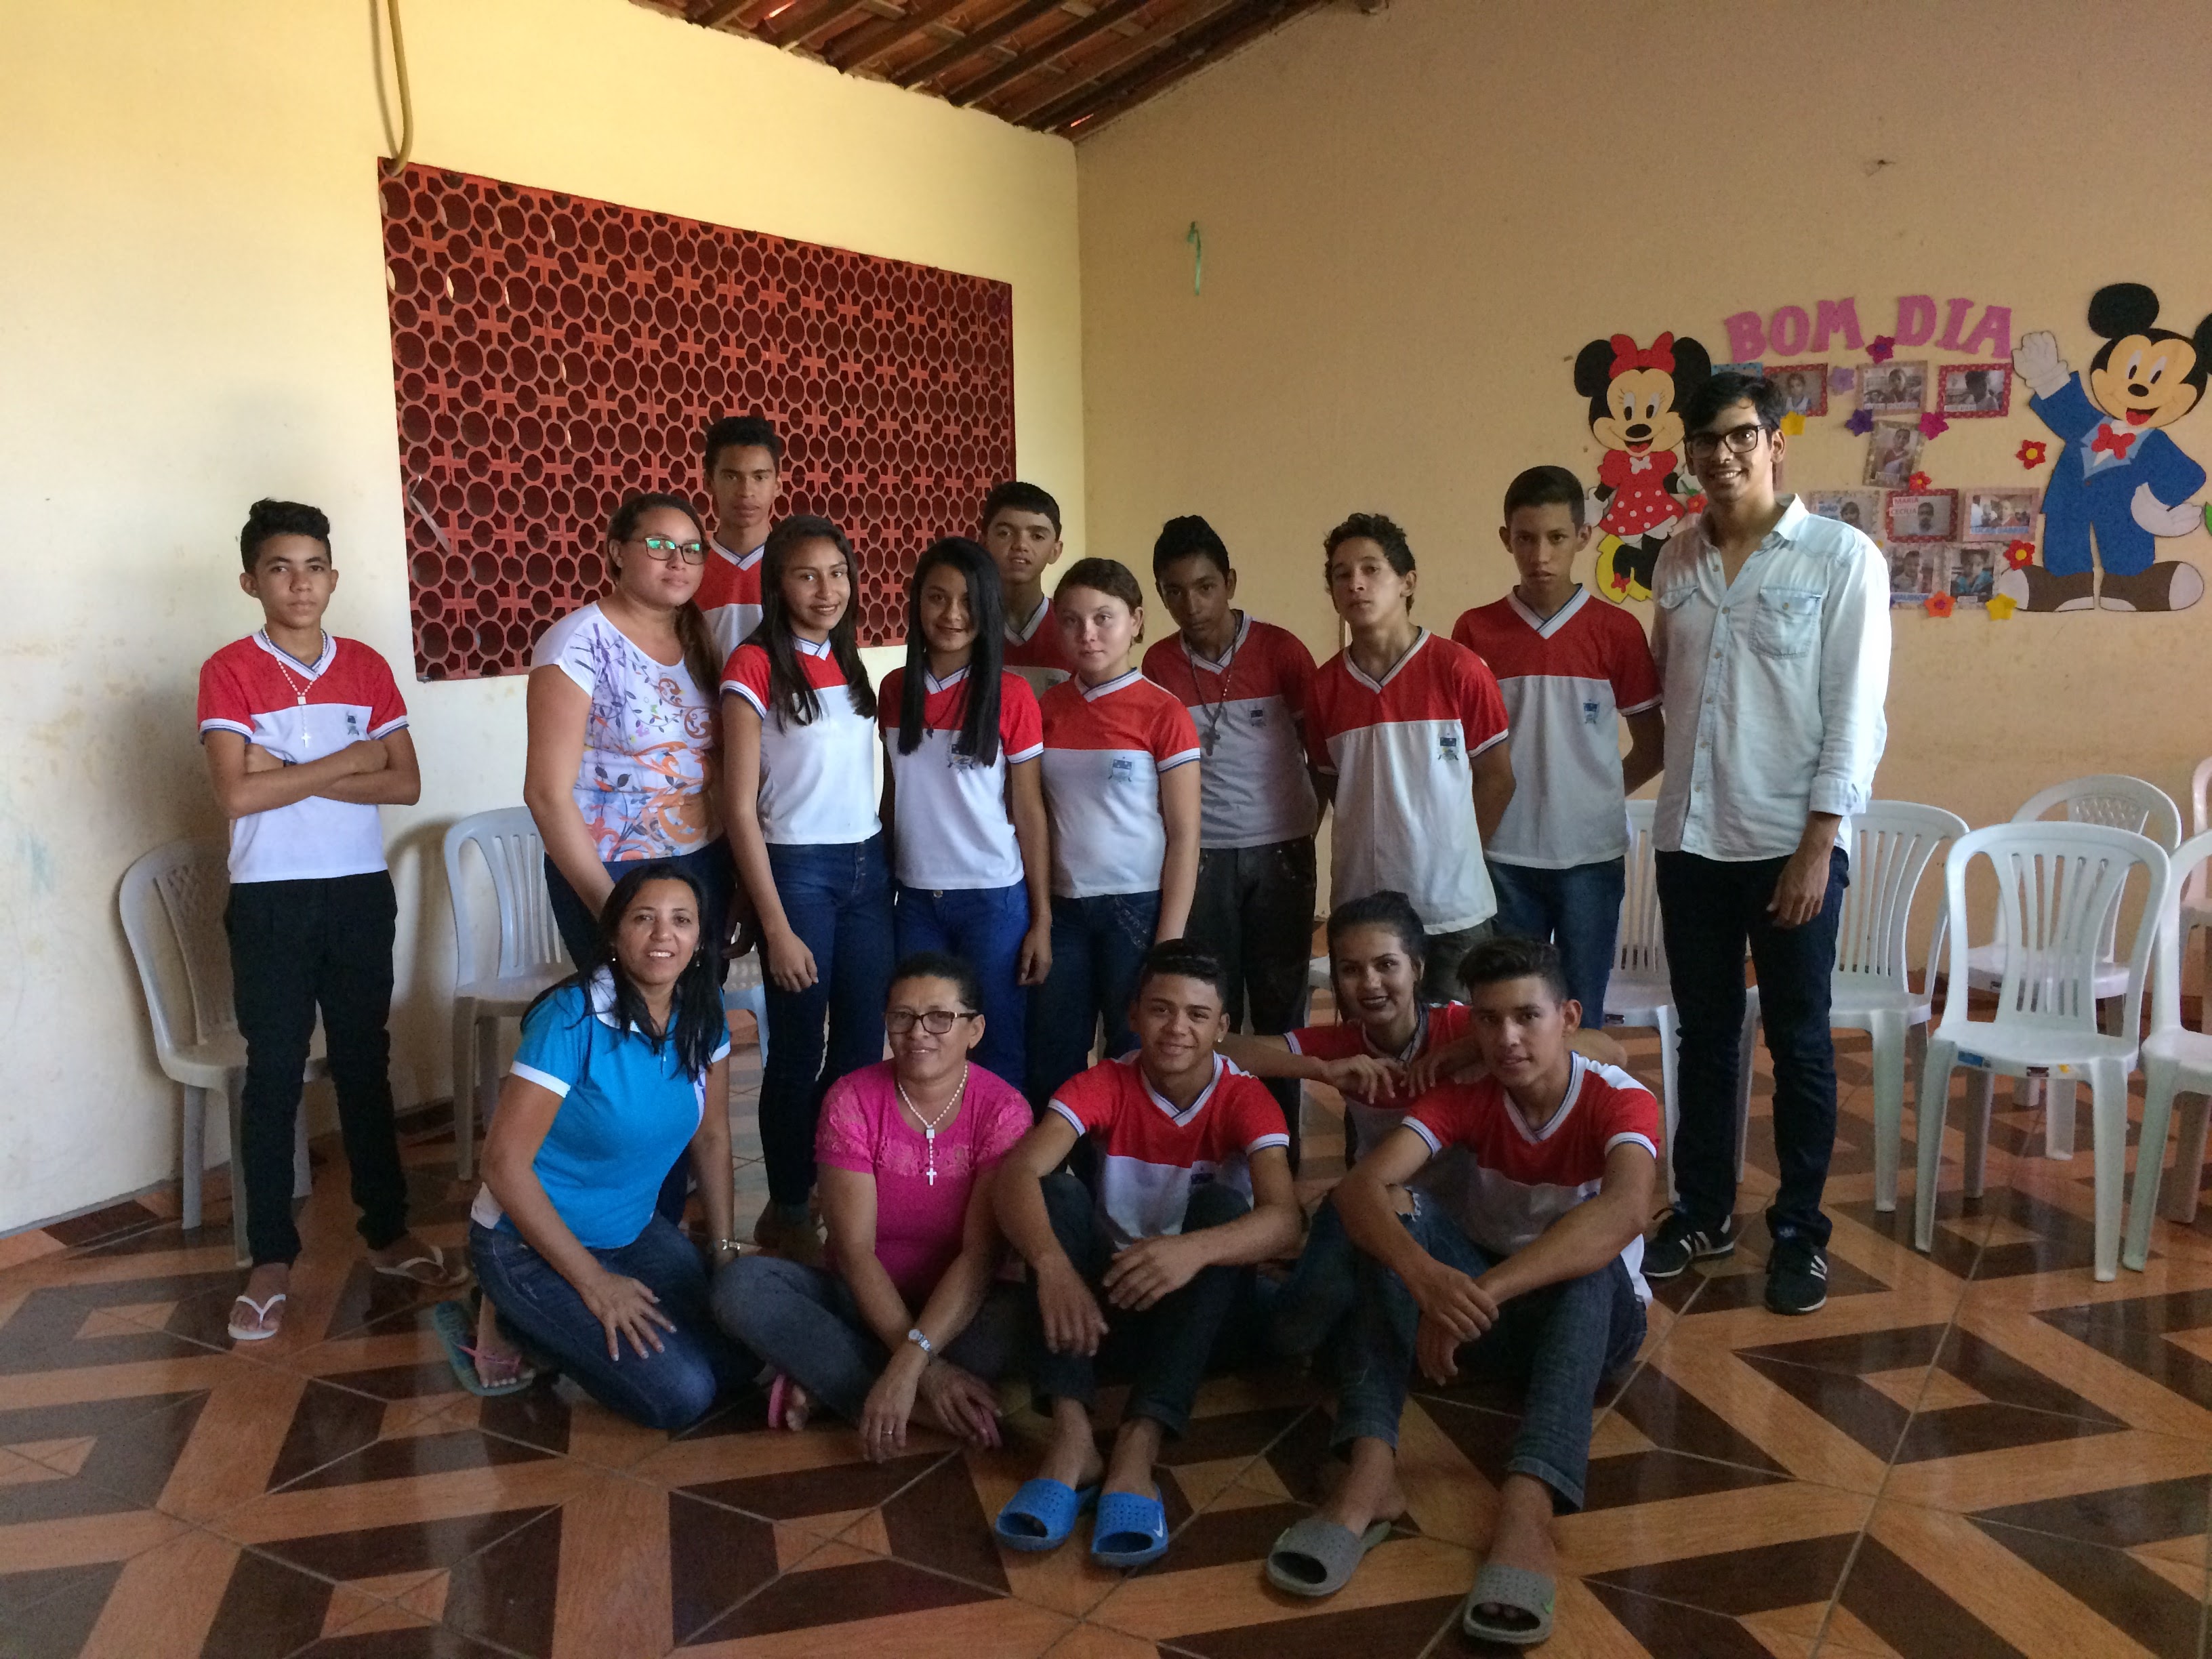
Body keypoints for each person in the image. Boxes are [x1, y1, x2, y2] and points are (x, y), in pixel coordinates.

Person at [1269, 937, 1656, 1642]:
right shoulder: (1468, 1095)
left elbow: (1625, 1212)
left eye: (1526, 1017)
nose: (1506, 1039)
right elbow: (1359, 1188)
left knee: (1589, 1260)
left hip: (1593, 1324)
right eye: (1488, 1020)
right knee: (1391, 1214)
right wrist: (1428, 1278)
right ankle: (1370, 1474)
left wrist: (1482, 1292)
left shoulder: (1618, 1098)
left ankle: (1527, 1509)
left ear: (1568, 1018)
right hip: (1479, 1316)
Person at [1645, 369, 1890, 1315]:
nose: (1721, 455)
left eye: (1739, 435)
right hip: (1692, 841)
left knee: (1799, 1042)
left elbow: (1855, 715)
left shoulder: (1840, 557)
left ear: (1776, 442)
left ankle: (1799, 1233)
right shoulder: (1675, 562)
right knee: (1705, 1037)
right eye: (1704, 441)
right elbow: (1671, 698)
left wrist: (1819, 845)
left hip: (1791, 844)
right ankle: (1703, 1211)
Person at [197, 499, 457, 1343]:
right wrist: (352, 758)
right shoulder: (230, 670)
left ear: (333, 577)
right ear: (251, 582)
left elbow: (404, 783)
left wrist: (286, 767)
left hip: (356, 892)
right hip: (270, 898)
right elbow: (236, 795)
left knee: (363, 1063)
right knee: (274, 1072)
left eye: (314, 567)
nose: (299, 583)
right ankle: (270, 1258)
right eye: (280, 568)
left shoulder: (368, 668)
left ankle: (387, 1229)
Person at [991, 941, 1300, 1567]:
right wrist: (1051, 1265)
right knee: (1055, 1193)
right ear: (1133, 1015)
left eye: (1196, 1014)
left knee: (1224, 1210)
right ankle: (1073, 1439)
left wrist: (1191, 1251)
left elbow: (1286, 1222)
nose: (1177, 1028)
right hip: (1111, 1308)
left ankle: (1139, 1442)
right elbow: (1017, 1172)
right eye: (1161, 1009)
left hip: (1205, 1317)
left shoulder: (1245, 1097)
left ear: (1222, 1027)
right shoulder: (1105, 1082)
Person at [466, 863, 755, 1429]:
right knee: (683, 1394)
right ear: (616, 934)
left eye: (682, 920)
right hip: (524, 1242)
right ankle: (511, 1314)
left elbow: (713, 1135)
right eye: (644, 918)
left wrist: (723, 1250)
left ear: (701, 939)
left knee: (739, 1357)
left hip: (629, 1232)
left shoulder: (704, 1014)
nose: (663, 935)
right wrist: (594, 1283)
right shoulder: (570, 1019)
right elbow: (502, 1165)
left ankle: (555, 1317)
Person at [713, 954, 1032, 1454]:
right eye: (902, 1016)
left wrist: (912, 1361)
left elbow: (981, 1256)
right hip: (861, 1301)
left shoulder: (1004, 1110)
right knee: (741, 1288)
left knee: (1023, 1324)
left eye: (940, 1018)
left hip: (962, 1313)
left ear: (975, 1030)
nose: (918, 1032)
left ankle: (833, 1380)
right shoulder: (852, 1099)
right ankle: (911, 1402)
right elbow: (854, 1250)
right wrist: (927, 1372)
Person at [720, 515, 897, 1261]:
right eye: (806, 575)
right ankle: (789, 1204)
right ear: (778, 585)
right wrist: (774, 924)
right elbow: (737, 807)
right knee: (797, 1050)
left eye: (837, 574)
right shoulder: (755, 664)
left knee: (859, 1045)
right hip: (798, 872)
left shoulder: (851, 664)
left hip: (867, 867)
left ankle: (835, 1180)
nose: (826, 590)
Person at [1453, 467, 1664, 1026]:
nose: (1540, 555)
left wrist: (1593, 796)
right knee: (1510, 1015)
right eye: (1526, 538)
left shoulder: (1617, 631)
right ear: (1506, 539)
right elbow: (1462, 750)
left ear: (1583, 537)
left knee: (1580, 1012)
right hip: (1504, 856)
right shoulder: (1475, 631)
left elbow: (1653, 746)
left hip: (1590, 858)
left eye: (1556, 538)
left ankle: (1581, 1088)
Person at [1143, 514, 1322, 1160]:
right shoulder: (1159, 663)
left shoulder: (1282, 651)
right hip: (1203, 858)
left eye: (1205, 587)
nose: (1192, 604)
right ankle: (1225, 1152)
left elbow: (1319, 752)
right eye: (1175, 591)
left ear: (1231, 583)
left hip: (1282, 854)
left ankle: (1281, 1153)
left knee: (1280, 1009)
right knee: (1211, 1008)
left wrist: (1302, 829)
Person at [1307, 512, 1514, 1003]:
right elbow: (1332, 786)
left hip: (1452, 912)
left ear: (1407, 582)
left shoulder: (1460, 669)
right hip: (1363, 911)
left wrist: (1456, 854)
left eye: (1371, 569)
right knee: (1371, 1045)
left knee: (1455, 1041)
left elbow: (1498, 778)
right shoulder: (1324, 687)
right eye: (1341, 574)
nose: (1355, 584)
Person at [524, 492, 733, 971]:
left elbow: (718, 765)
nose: (678, 561)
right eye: (659, 545)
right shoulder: (579, 643)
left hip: (703, 865)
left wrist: (735, 873)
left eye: (692, 549)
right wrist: (612, 908)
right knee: (629, 1012)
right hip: (613, 867)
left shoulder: (701, 640)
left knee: (700, 1009)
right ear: (617, 552)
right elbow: (545, 794)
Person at [1026, 558, 1202, 1109]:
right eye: (1072, 620)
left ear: (1136, 621)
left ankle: (1127, 1160)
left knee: (1134, 1052)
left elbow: (1185, 835)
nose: (1088, 633)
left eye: (1104, 618)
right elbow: (1032, 814)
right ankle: (1065, 1162)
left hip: (1137, 908)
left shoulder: (1164, 712)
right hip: (1064, 909)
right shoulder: (1046, 709)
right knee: (1054, 1054)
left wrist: (1168, 942)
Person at [880, 538, 1051, 1090]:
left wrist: (1041, 919)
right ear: (917, 604)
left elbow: (1029, 810)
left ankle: (1004, 1148)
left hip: (993, 898)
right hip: (915, 900)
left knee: (997, 1043)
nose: (953, 614)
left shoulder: (1012, 694)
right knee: (923, 1044)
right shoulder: (894, 689)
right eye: (937, 597)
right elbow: (892, 794)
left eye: (968, 600)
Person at [696, 414, 781, 661]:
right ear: (709, 482)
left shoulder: (795, 567)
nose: (746, 491)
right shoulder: (687, 570)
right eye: (731, 476)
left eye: (759, 477)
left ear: (777, 485)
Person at [981, 480, 1074, 691]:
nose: (1021, 545)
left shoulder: (1074, 628)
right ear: (984, 543)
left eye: (1037, 536)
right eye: (1005, 533)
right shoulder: (965, 623)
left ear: (1056, 551)